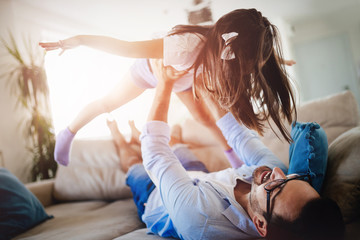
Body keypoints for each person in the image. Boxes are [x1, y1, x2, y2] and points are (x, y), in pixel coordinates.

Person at [39, 8, 296, 169]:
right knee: (106, 104)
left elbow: (249, 54)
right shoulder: (184, 45)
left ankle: (233, 158)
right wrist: (81, 40)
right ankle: (68, 132)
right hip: (149, 71)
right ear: (228, 50)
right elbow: (126, 48)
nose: (243, 73)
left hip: (182, 77)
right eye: (244, 65)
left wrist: (276, 61)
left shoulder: (224, 42)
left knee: (205, 117)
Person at [121, 59, 345, 240]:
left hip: (155, 195)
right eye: (290, 177)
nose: (277, 172)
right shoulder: (274, 175)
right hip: (202, 177)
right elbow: (239, 136)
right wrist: (209, 91)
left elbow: (156, 154)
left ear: (259, 223)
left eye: (276, 187)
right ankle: (175, 139)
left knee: (134, 163)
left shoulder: (200, 218)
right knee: (180, 149)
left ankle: (121, 140)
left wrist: (164, 83)